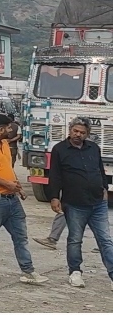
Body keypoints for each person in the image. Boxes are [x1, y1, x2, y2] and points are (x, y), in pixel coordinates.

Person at [0, 113, 48, 284]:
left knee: (21, 236)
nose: (10, 130)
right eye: (8, 127)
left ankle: (28, 271)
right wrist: (8, 185)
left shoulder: (5, 144)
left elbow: (7, 169)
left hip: (11, 198)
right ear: (0, 129)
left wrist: (17, 188)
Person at [46, 117, 113, 289]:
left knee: (105, 240)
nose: (78, 135)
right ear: (70, 130)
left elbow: (99, 169)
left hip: (97, 202)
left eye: (82, 133)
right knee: (75, 239)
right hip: (75, 203)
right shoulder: (59, 149)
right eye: (75, 131)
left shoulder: (93, 148)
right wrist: (54, 197)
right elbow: (55, 175)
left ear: (87, 134)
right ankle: (75, 272)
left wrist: (104, 188)